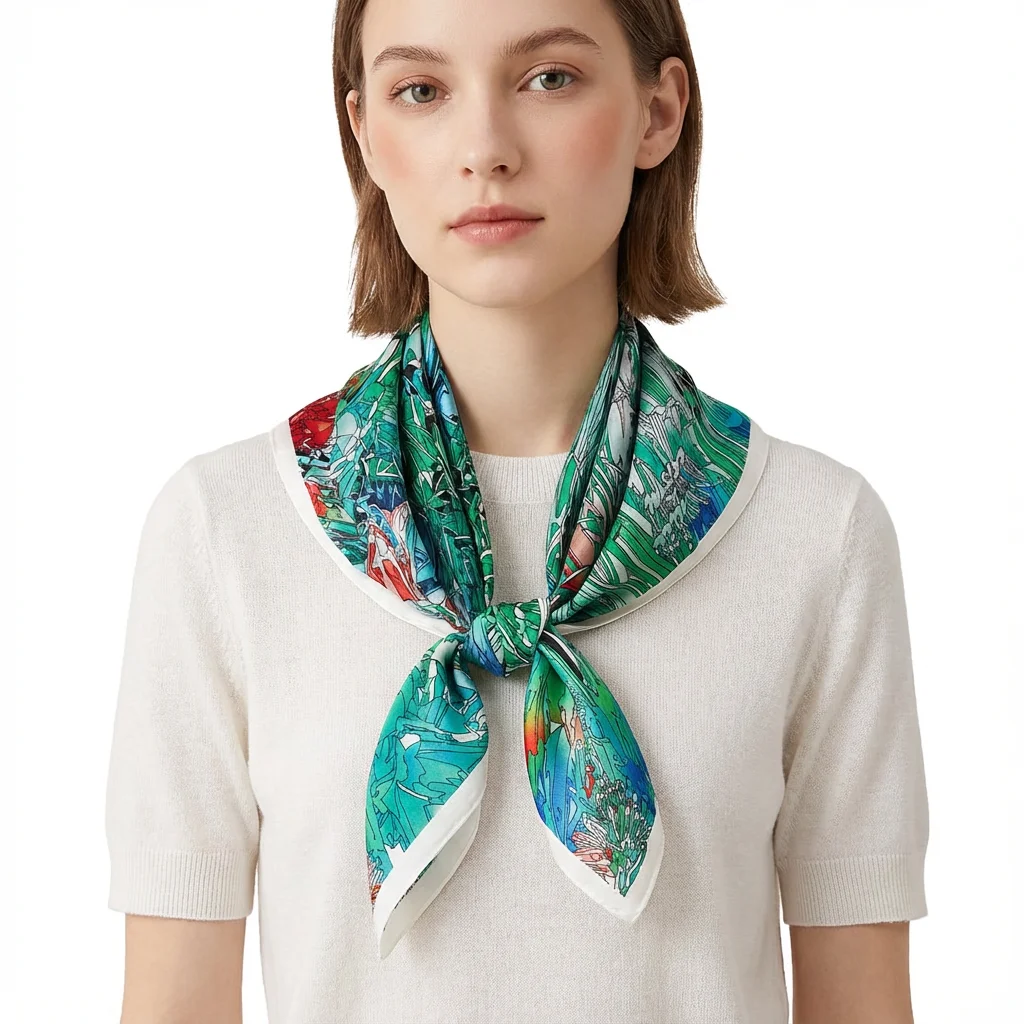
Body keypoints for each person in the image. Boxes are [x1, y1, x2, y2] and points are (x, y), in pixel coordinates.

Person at [104, 1, 930, 1021]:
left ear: (658, 111)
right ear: (365, 134)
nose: (485, 149)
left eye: (549, 79)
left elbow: (862, 1005)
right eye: (422, 90)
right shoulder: (226, 531)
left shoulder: (815, 534)